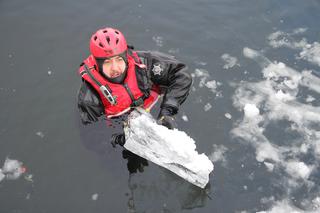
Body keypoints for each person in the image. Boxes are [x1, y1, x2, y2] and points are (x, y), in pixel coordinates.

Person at [77, 27, 192, 140]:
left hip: (157, 109)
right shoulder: (89, 97)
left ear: (125, 56)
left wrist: (167, 111)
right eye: (107, 62)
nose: (115, 68)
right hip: (123, 129)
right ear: (97, 64)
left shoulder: (144, 63)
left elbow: (181, 73)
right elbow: (93, 136)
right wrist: (121, 140)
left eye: (119, 59)